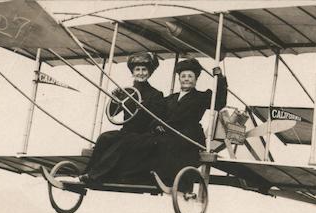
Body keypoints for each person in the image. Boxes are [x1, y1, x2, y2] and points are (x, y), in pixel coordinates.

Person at [80, 52, 165, 183]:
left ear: (149, 73)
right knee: (104, 137)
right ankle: (86, 173)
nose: (141, 73)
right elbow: (112, 113)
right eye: (137, 70)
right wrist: (115, 99)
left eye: (144, 70)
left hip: (144, 135)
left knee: (123, 141)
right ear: (133, 72)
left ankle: (95, 176)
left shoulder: (156, 94)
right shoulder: (126, 92)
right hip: (127, 132)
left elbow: (157, 117)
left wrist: (143, 109)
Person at [155, 58, 227, 184]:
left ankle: (172, 179)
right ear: (179, 79)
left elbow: (219, 102)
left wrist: (220, 79)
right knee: (150, 141)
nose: (186, 79)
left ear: (195, 79)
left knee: (171, 145)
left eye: (190, 76)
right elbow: (157, 115)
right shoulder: (170, 99)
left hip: (190, 135)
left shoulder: (201, 97)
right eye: (183, 76)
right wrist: (157, 125)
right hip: (169, 133)